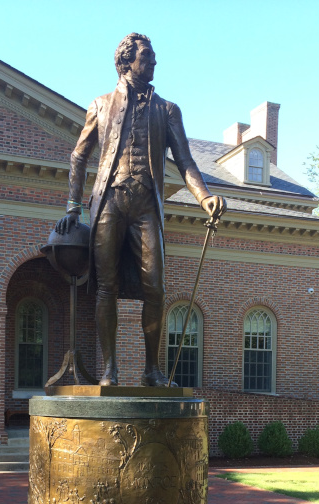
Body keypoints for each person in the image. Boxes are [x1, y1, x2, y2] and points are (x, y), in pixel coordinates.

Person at [55, 33, 225, 387]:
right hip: (110, 201)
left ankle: (151, 370)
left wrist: (204, 197)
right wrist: (73, 204)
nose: (154, 61)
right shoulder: (100, 104)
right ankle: (109, 369)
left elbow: (186, 161)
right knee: (106, 287)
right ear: (126, 61)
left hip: (147, 205)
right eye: (146, 55)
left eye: (153, 55)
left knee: (156, 288)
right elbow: (78, 156)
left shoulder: (168, 110)